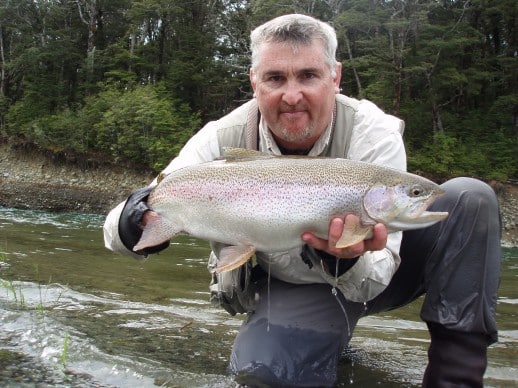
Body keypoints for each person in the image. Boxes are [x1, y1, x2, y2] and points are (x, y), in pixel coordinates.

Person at [103, 14, 501, 387]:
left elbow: (375, 279)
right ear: (254, 82)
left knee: (470, 198)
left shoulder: (373, 133)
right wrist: (131, 218)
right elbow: (119, 229)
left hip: (381, 273)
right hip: (292, 285)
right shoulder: (219, 138)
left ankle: (454, 378)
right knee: (265, 376)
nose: (292, 95)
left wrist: (342, 257)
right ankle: (325, 339)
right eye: (275, 78)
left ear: (335, 77)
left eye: (308, 75)